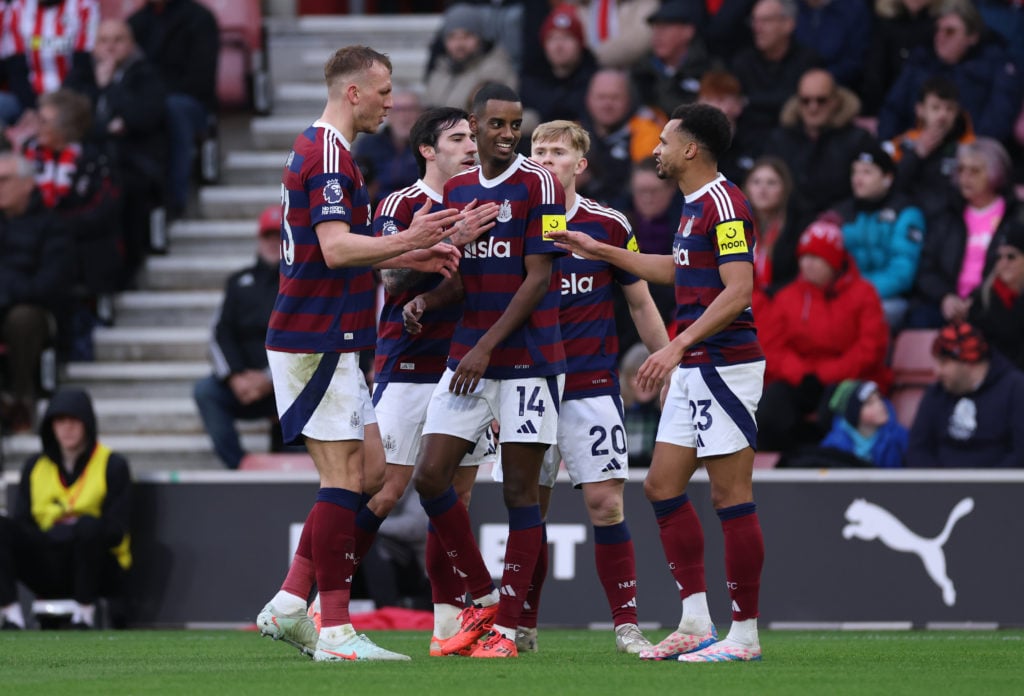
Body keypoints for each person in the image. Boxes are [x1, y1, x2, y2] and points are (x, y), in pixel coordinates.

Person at [254, 45, 459, 663]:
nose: (391, 102)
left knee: (370, 473)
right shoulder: (327, 155)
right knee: (344, 478)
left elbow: (342, 251)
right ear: (354, 92)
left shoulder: (330, 151)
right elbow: (339, 250)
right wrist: (411, 236)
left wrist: (409, 256)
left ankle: (291, 602)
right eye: (385, 90)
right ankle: (335, 631)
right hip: (313, 337)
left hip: (334, 336)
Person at [549, 103, 767, 662]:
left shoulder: (726, 203)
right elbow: (679, 269)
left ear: (691, 149)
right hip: (697, 363)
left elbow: (738, 290)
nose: (656, 149)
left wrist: (675, 345)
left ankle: (744, 635)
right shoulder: (694, 205)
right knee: (662, 487)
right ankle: (695, 620)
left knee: (730, 495)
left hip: (724, 365)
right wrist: (602, 251)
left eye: (666, 141)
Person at [403, 82, 567, 659]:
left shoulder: (539, 182)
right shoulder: (461, 187)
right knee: (429, 476)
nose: (506, 133)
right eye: (495, 124)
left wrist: (485, 350)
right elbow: (470, 273)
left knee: (521, 492)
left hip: (526, 359)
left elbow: (538, 277)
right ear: (474, 126)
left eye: (514, 124)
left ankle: (508, 629)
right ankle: (482, 596)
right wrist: (431, 300)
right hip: (470, 355)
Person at [514, 119, 669, 654]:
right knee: (530, 510)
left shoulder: (607, 224)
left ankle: (625, 624)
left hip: (591, 385)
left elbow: (640, 300)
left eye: (557, 152)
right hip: (527, 384)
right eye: (537, 150)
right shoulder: (511, 220)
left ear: (579, 165)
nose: (545, 159)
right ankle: (523, 627)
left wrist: (665, 360)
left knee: (606, 503)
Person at [358, 105, 499, 655]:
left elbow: (485, 284)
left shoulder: (486, 203)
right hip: (408, 365)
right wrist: (454, 239)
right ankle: (326, 605)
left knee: (454, 500)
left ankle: (447, 629)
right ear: (427, 149)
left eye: (472, 137)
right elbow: (392, 280)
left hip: (464, 367)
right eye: (458, 138)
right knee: (384, 490)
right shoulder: (401, 204)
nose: (471, 145)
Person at [0, 387, 132, 630]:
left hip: (95, 563)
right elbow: (22, 522)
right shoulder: (35, 466)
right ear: (51, 426)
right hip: (49, 560)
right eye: (60, 421)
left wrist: (75, 528)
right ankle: (11, 615)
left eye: (74, 421)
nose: (67, 428)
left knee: (90, 527)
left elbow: (116, 529)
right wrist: (54, 534)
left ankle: (84, 614)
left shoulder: (112, 465)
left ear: (87, 424)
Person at [757, 218, 891, 452]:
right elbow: (772, 348)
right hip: (800, 378)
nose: (807, 264)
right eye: (804, 257)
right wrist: (802, 374)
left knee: (839, 402)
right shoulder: (786, 297)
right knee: (772, 403)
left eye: (816, 258)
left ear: (834, 262)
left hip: (847, 379)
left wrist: (826, 374)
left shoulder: (864, 294)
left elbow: (870, 349)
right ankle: (786, 463)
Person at [63, 17, 168, 289]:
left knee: (124, 193)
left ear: (131, 45)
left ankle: (123, 274)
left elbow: (143, 117)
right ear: (93, 46)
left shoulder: (147, 73)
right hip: (83, 162)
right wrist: (109, 125)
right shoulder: (81, 74)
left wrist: (109, 87)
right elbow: (69, 124)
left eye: (118, 40)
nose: (110, 48)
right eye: (103, 41)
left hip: (132, 163)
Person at [193, 205, 282, 471]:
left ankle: (295, 466)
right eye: (268, 236)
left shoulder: (303, 284)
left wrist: (269, 378)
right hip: (242, 385)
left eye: (279, 236)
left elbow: (309, 340)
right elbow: (218, 334)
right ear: (259, 239)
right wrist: (235, 377)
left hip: (287, 385)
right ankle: (241, 464)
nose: (272, 243)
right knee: (205, 390)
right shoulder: (238, 281)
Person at [907, 137, 1021, 328]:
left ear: (996, 173)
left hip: (994, 304)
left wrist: (978, 300)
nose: (965, 178)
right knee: (919, 319)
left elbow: (1015, 269)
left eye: (975, 171)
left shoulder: (1015, 216)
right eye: (961, 170)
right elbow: (926, 267)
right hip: (947, 302)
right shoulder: (947, 214)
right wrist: (945, 297)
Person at [877, 0, 1023, 144]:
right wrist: (890, 146)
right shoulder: (921, 60)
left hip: (970, 156)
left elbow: (997, 122)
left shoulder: (999, 67)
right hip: (914, 150)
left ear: (972, 36)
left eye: (950, 32)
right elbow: (893, 109)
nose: (940, 38)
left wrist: (968, 151)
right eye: (937, 30)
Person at [0, 151, 72, 434]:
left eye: (4, 179)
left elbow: (49, 286)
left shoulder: (52, 225)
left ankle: (21, 399)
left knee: (23, 318)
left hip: (33, 310)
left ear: (28, 183)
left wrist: (7, 287)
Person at [128, 0, 219, 218]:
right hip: (149, 101)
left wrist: (154, 100)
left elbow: (201, 80)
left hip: (190, 104)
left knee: (173, 110)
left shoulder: (200, 18)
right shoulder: (136, 22)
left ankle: (174, 200)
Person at [761, 67, 877, 233]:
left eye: (821, 100)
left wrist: (837, 216)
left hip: (841, 228)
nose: (813, 107)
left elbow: (870, 189)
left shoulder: (858, 140)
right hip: (786, 229)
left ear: (836, 101)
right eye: (805, 100)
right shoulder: (780, 139)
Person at [832, 141, 926, 331]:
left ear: (887, 178)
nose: (858, 179)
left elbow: (901, 273)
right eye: (855, 172)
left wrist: (859, 294)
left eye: (867, 172)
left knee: (868, 316)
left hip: (889, 298)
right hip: (845, 294)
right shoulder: (840, 213)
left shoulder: (906, 213)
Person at [906, 320, 1024, 467]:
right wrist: (940, 484)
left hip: (998, 487)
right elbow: (918, 450)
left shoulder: (1015, 389)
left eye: (944, 363)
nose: (937, 371)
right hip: (941, 487)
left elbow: (1020, 453)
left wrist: (990, 485)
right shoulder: (936, 393)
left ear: (969, 362)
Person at [731, 0, 820, 159]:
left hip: (796, 147)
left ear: (788, 24)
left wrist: (751, 101)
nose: (757, 28)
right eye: (754, 20)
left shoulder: (808, 61)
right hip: (748, 147)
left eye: (765, 21)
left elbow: (800, 104)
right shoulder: (742, 63)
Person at [887, 76, 975, 223]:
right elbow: (889, 187)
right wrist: (916, 155)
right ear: (920, 110)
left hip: (951, 224)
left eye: (949, 109)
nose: (942, 115)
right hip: (908, 221)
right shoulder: (902, 144)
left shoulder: (970, 148)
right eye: (935, 107)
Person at [0, 0, 99, 126]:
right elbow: (16, 68)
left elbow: (82, 65)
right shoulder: (19, 6)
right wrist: (34, 108)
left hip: (71, 94)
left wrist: (55, 105)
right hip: (27, 98)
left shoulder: (83, 5)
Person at [578, 68, 664, 209]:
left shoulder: (647, 129)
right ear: (588, 100)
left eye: (615, 97)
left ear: (629, 100)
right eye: (601, 97)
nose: (607, 104)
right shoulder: (575, 131)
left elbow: (646, 182)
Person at [630, 0, 715, 120]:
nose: (658, 35)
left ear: (688, 32)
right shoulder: (640, 72)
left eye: (665, 28)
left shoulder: (709, 70)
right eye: (655, 28)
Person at [423, 4, 517, 111]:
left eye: (467, 36)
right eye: (452, 37)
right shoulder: (440, 70)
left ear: (481, 38)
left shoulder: (495, 70)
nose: (459, 44)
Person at [519, 3, 598, 125]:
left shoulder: (595, 78)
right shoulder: (532, 77)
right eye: (552, 38)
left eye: (566, 37)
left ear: (580, 44)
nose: (559, 46)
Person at [353, 88, 422, 210]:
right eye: (399, 110)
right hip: (376, 213)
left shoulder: (430, 145)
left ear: (420, 113)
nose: (405, 116)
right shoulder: (369, 144)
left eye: (410, 109)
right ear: (387, 114)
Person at [967, 224, 1024, 370]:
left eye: (1011, 256)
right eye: (999, 257)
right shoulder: (981, 301)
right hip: (993, 380)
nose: (1003, 263)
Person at [819, 379, 908, 467]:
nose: (880, 405)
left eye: (879, 398)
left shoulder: (898, 436)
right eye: (870, 403)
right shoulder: (834, 444)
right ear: (854, 413)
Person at [793, 0, 872, 90]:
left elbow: (855, 60)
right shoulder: (789, 7)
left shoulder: (853, 9)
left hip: (841, 87)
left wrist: (820, 80)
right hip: (794, 87)